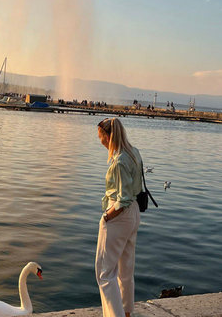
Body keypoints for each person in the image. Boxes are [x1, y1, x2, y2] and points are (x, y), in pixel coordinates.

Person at [96, 118, 143, 317]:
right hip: (134, 213)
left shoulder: (119, 162)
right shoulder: (134, 152)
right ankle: (126, 313)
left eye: (100, 137)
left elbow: (122, 199)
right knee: (125, 270)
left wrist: (107, 216)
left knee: (105, 273)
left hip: (120, 215)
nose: (100, 142)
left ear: (108, 136)